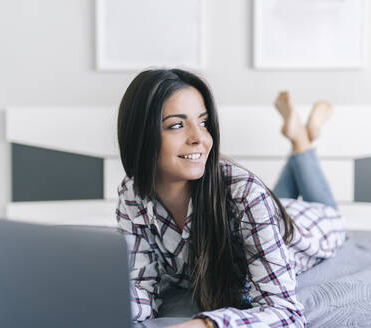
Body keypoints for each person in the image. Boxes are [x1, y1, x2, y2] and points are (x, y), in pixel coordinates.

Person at [115, 69, 346, 328]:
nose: (200, 138)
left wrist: (205, 325)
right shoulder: (132, 194)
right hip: (261, 209)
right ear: (140, 136)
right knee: (269, 197)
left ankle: (301, 140)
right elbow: (140, 284)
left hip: (311, 225)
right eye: (177, 125)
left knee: (328, 208)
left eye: (203, 122)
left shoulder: (246, 193)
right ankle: (301, 137)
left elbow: (286, 313)